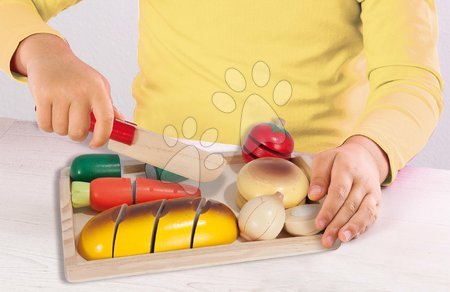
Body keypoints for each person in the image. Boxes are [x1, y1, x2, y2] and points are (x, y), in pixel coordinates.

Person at [0, 0, 442, 249]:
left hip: (309, 210)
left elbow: (412, 79)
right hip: (159, 195)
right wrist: (42, 51)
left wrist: (369, 149)